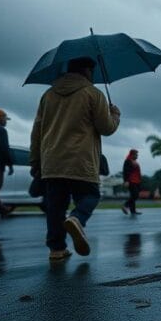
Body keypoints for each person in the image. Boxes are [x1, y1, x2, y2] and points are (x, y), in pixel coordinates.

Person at [30, 56, 120, 261]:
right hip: (81, 159)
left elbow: (37, 131)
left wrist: (35, 161)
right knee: (90, 196)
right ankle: (77, 218)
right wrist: (114, 115)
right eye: (92, 71)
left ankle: (57, 249)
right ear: (87, 71)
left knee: (55, 206)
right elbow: (106, 128)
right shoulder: (93, 93)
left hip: (51, 160)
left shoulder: (48, 95)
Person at [122, 149, 143, 215]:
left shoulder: (134, 161)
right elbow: (126, 172)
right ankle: (125, 205)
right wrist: (126, 181)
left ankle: (133, 211)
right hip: (131, 181)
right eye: (136, 154)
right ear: (132, 154)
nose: (137, 156)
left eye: (137, 154)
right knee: (135, 195)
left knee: (134, 195)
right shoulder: (128, 161)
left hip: (137, 181)